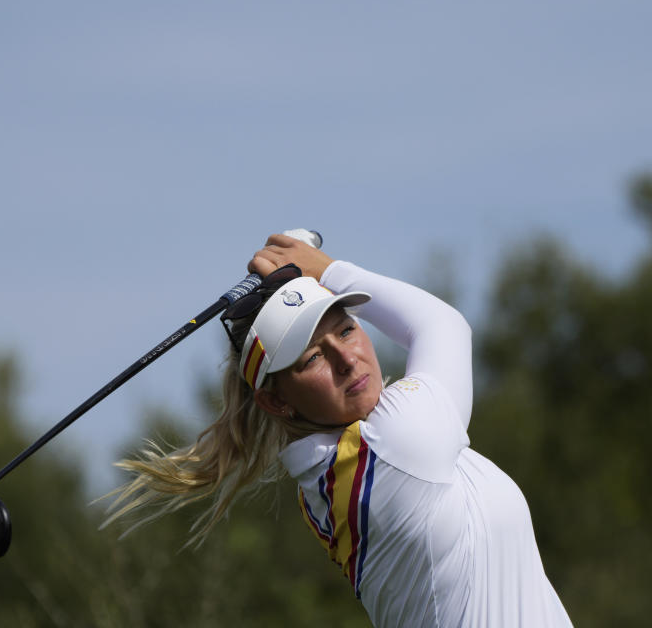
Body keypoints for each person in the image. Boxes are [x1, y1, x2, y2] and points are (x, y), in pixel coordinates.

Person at [104, 233, 573, 627]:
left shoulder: (343, 467)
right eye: (312, 358)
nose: (347, 359)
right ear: (276, 399)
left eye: (345, 329)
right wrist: (327, 270)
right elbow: (443, 325)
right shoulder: (390, 449)